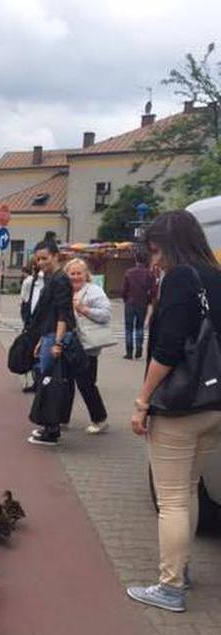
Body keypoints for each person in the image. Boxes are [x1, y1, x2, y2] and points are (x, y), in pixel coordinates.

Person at [127, 210, 221, 613]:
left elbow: (167, 350)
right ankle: (182, 570)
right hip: (214, 403)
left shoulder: (182, 279)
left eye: (156, 250)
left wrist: (143, 400)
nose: (155, 261)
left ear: (170, 244)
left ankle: (170, 587)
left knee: (172, 499)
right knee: (190, 487)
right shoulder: (216, 276)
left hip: (180, 405)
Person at [26, 239, 75, 446]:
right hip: (48, 334)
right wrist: (41, 340)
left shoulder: (60, 280)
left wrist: (57, 342)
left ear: (56, 256)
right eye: (38, 259)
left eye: (45, 258)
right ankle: (49, 426)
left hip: (55, 335)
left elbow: (63, 314)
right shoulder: (51, 278)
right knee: (47, 379)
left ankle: (51, 430)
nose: (41, 262)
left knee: (50, 382)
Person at [62, 258, 110, 434]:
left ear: (86, 274)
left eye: (79, 273)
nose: (75, 277)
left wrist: (84, 309)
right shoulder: (65, 291)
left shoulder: (94, 291)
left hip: (87, 345)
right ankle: (61, 419)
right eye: (72, 273)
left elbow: (105, 314)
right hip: (68, 343)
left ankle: (100, 419)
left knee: (86, 383)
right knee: (65, 382)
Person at [122, 251, 156, 359]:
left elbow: (124, 289)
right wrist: (149, 301)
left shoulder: (129, 272)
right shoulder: (149, 274)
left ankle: (129, 351)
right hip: (142, 303)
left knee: (129, 328)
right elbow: (153, 290)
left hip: (130, 302)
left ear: (136, 259)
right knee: (139, 327)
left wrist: (125, 299)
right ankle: (139, 349)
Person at [19, 259, 45, 394]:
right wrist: (26, 320)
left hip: (43, 322)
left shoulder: (48, 281)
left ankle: (41, 383)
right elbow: (25, 300)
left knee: (40, 353)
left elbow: (23, 299)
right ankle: (36, 382)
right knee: (33, 353)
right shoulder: (30, 281)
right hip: (32, 321)